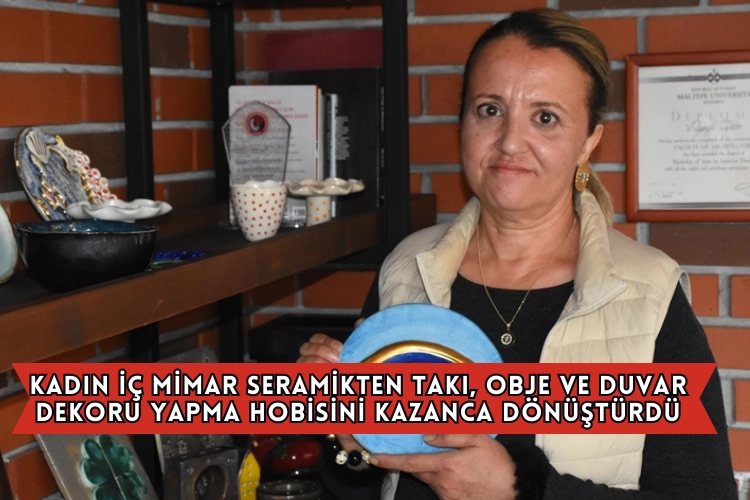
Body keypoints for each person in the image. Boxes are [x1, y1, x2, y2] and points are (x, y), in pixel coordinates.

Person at [298, 8, 737, 500]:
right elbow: (356, 479)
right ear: (463, 122)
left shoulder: (647, 294)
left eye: (545, 118)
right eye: (489, 110)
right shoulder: (408, 267)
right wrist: (344, 432)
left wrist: (524, 490)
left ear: (588, 142)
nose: (509, 142)